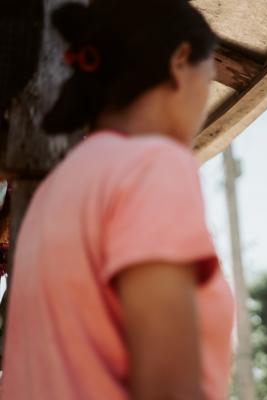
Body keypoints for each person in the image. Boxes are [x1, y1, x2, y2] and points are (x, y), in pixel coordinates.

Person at [2, 1, 234, 399]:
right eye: (208, 76)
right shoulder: (151, 166)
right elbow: (167, 384)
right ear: (180, 61)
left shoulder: (54, 191)